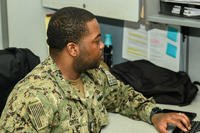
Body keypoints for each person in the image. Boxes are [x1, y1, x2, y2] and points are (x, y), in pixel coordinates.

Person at [0, 7, 191, 133]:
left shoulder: (93, 73)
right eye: (96, 41)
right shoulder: (33, 98)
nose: (102, 46)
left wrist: (155, 114)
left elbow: (123, 97)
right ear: (73, 49)